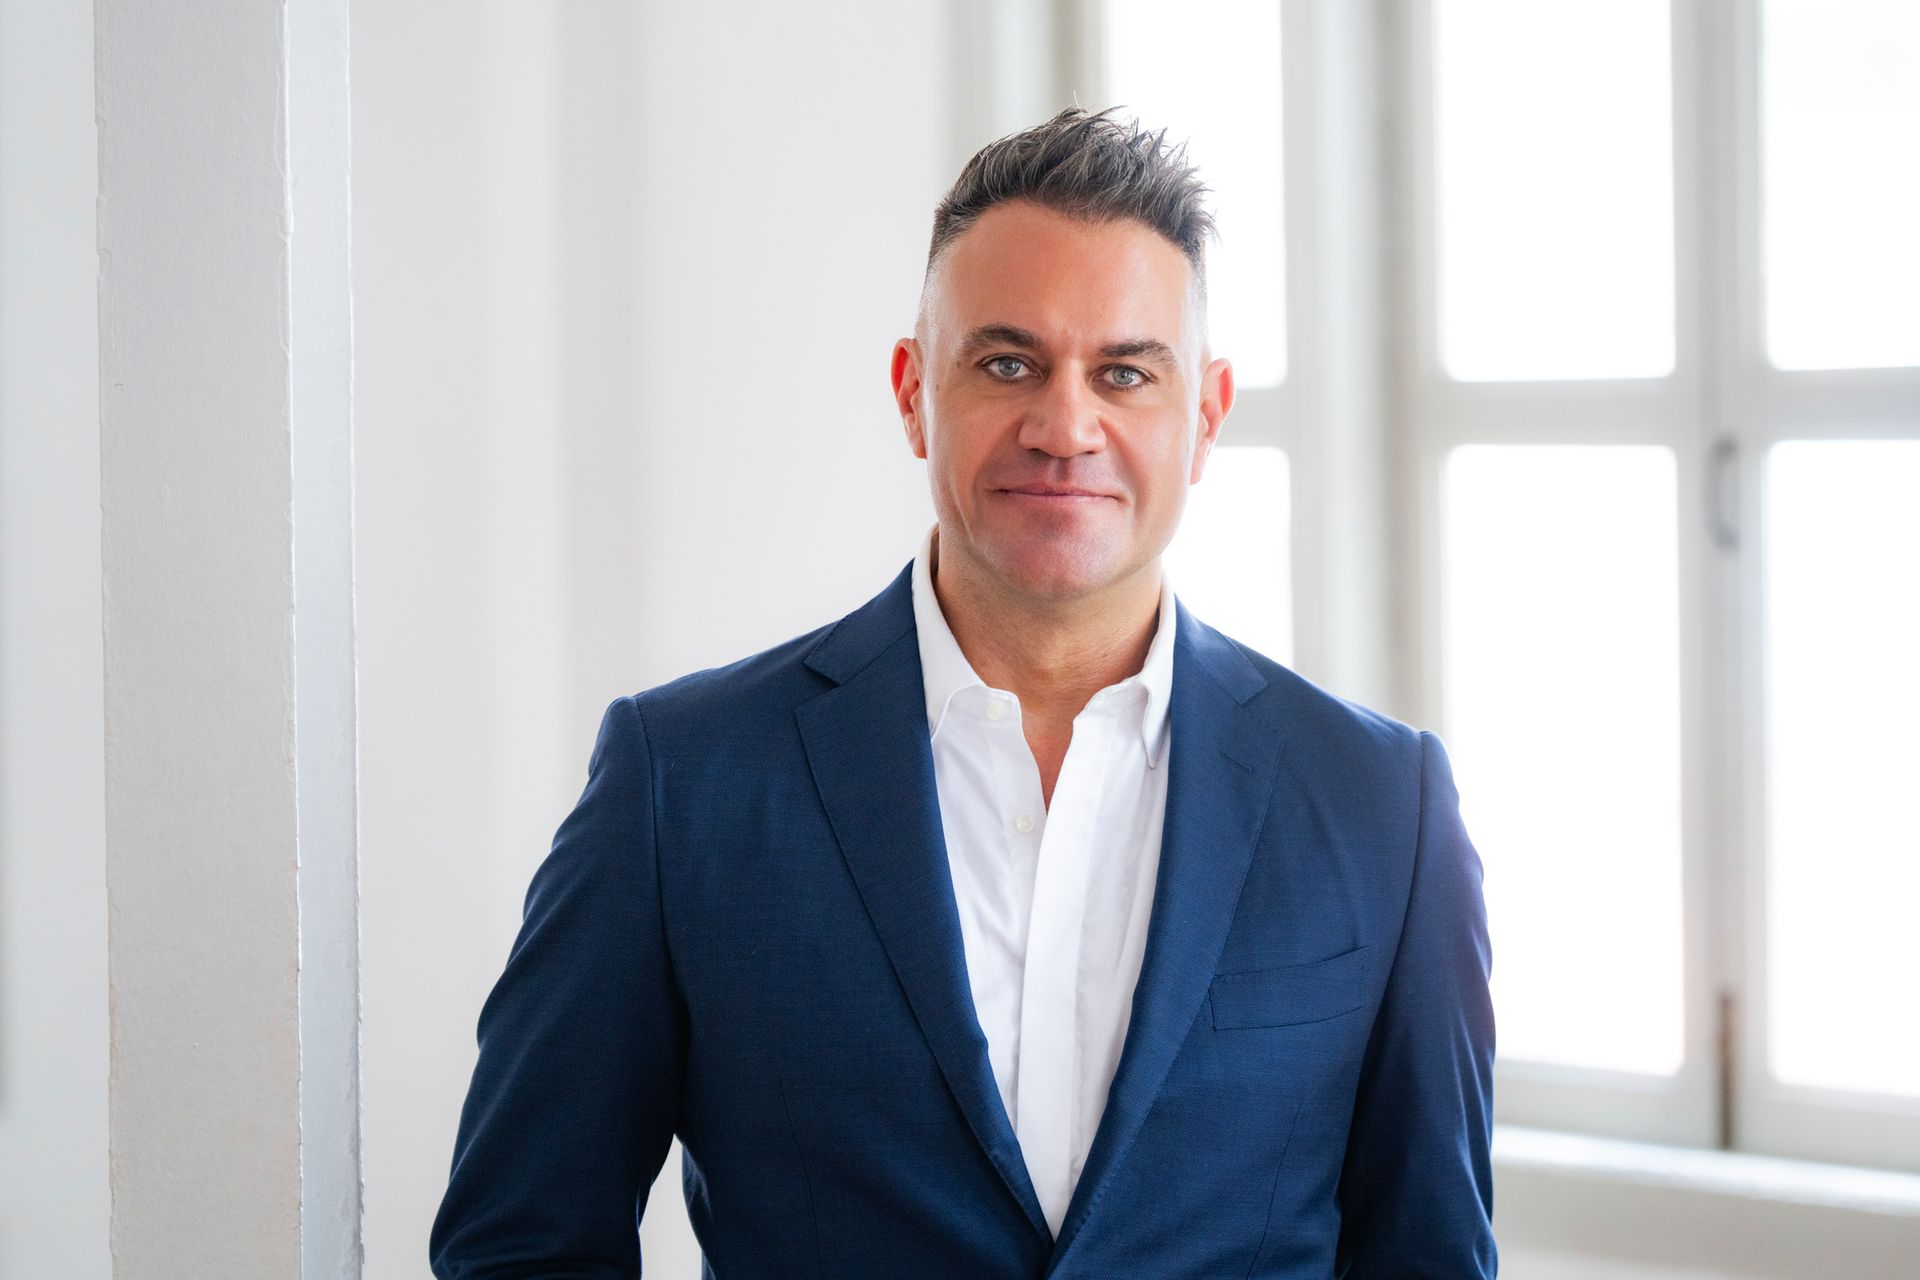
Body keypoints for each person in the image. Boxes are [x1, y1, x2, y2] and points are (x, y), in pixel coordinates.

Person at [429, 106, 1495, 1279]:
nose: (1064, 425)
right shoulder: (682, 783)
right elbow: (520, 1242)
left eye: (1125, 371)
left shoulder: (1381, 806)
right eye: (1007, 362)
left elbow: (1432, 1256)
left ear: (1204, 418)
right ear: (911, 391)